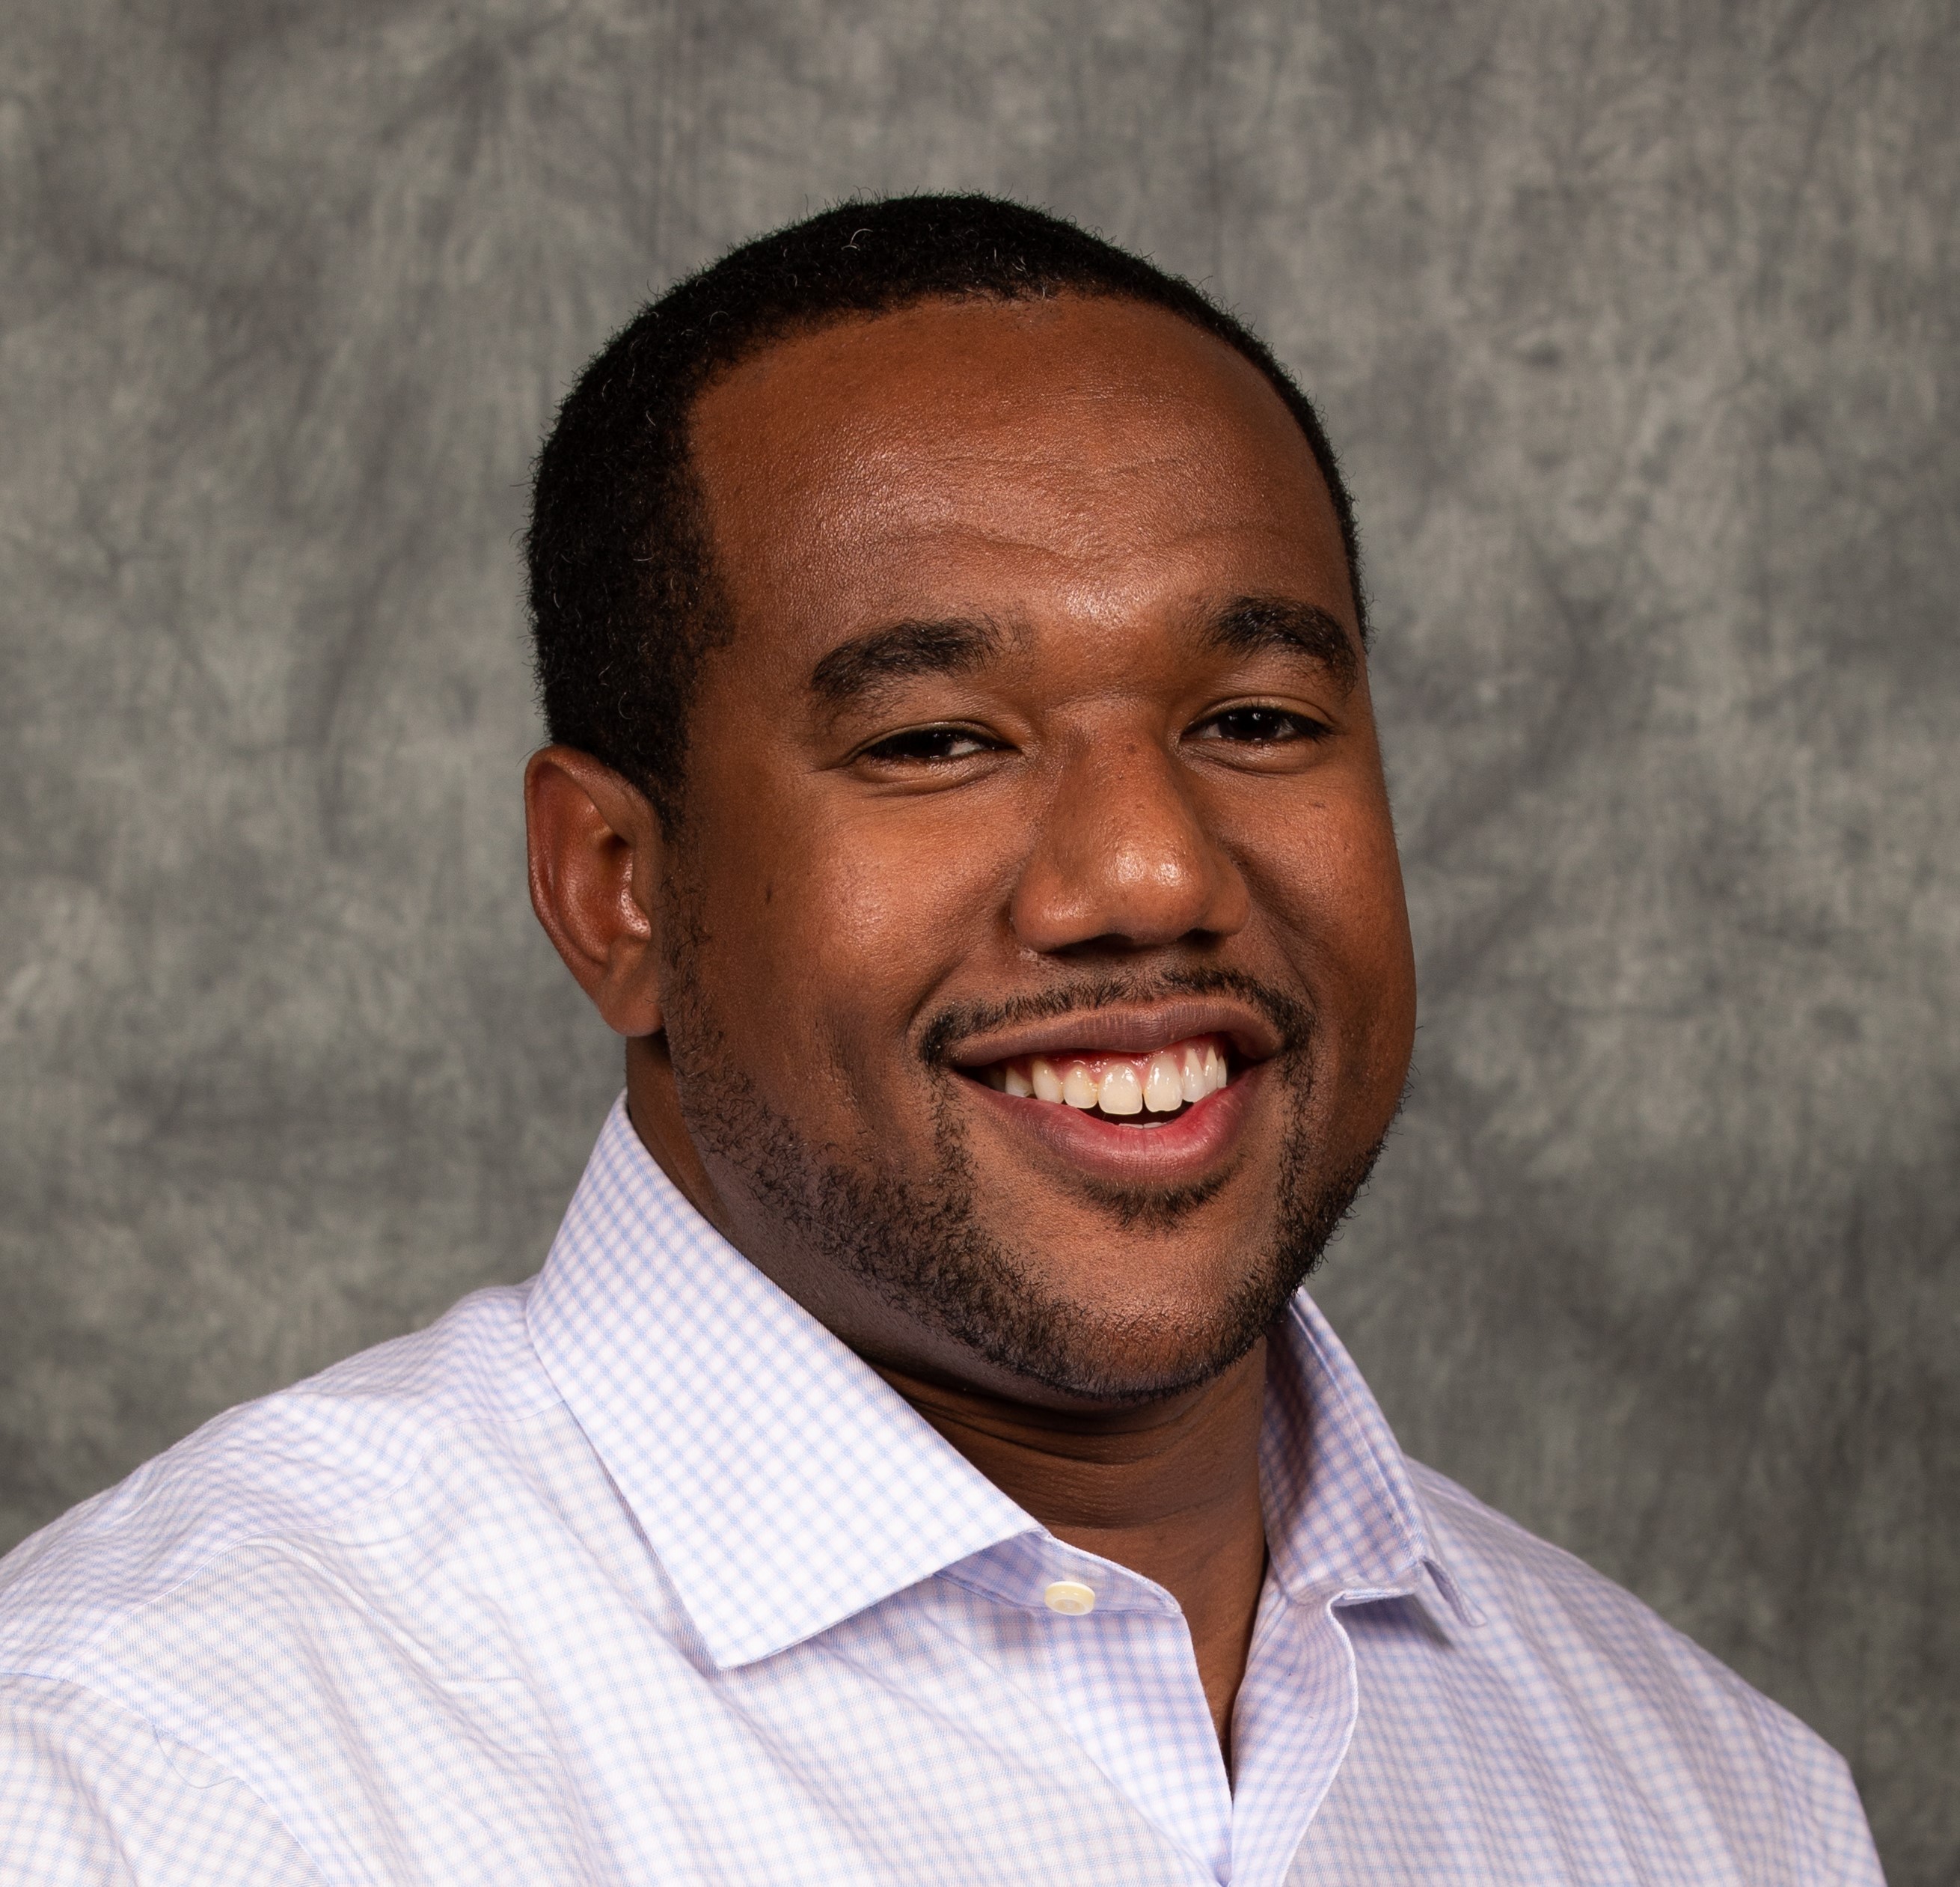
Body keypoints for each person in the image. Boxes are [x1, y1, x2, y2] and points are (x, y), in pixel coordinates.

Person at [0, 195, 1881, 1885]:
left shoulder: (1718, 1806)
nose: (1149, 869)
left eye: (1255, 718)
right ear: (614, 887)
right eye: (933, 741)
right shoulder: (155, 1778)